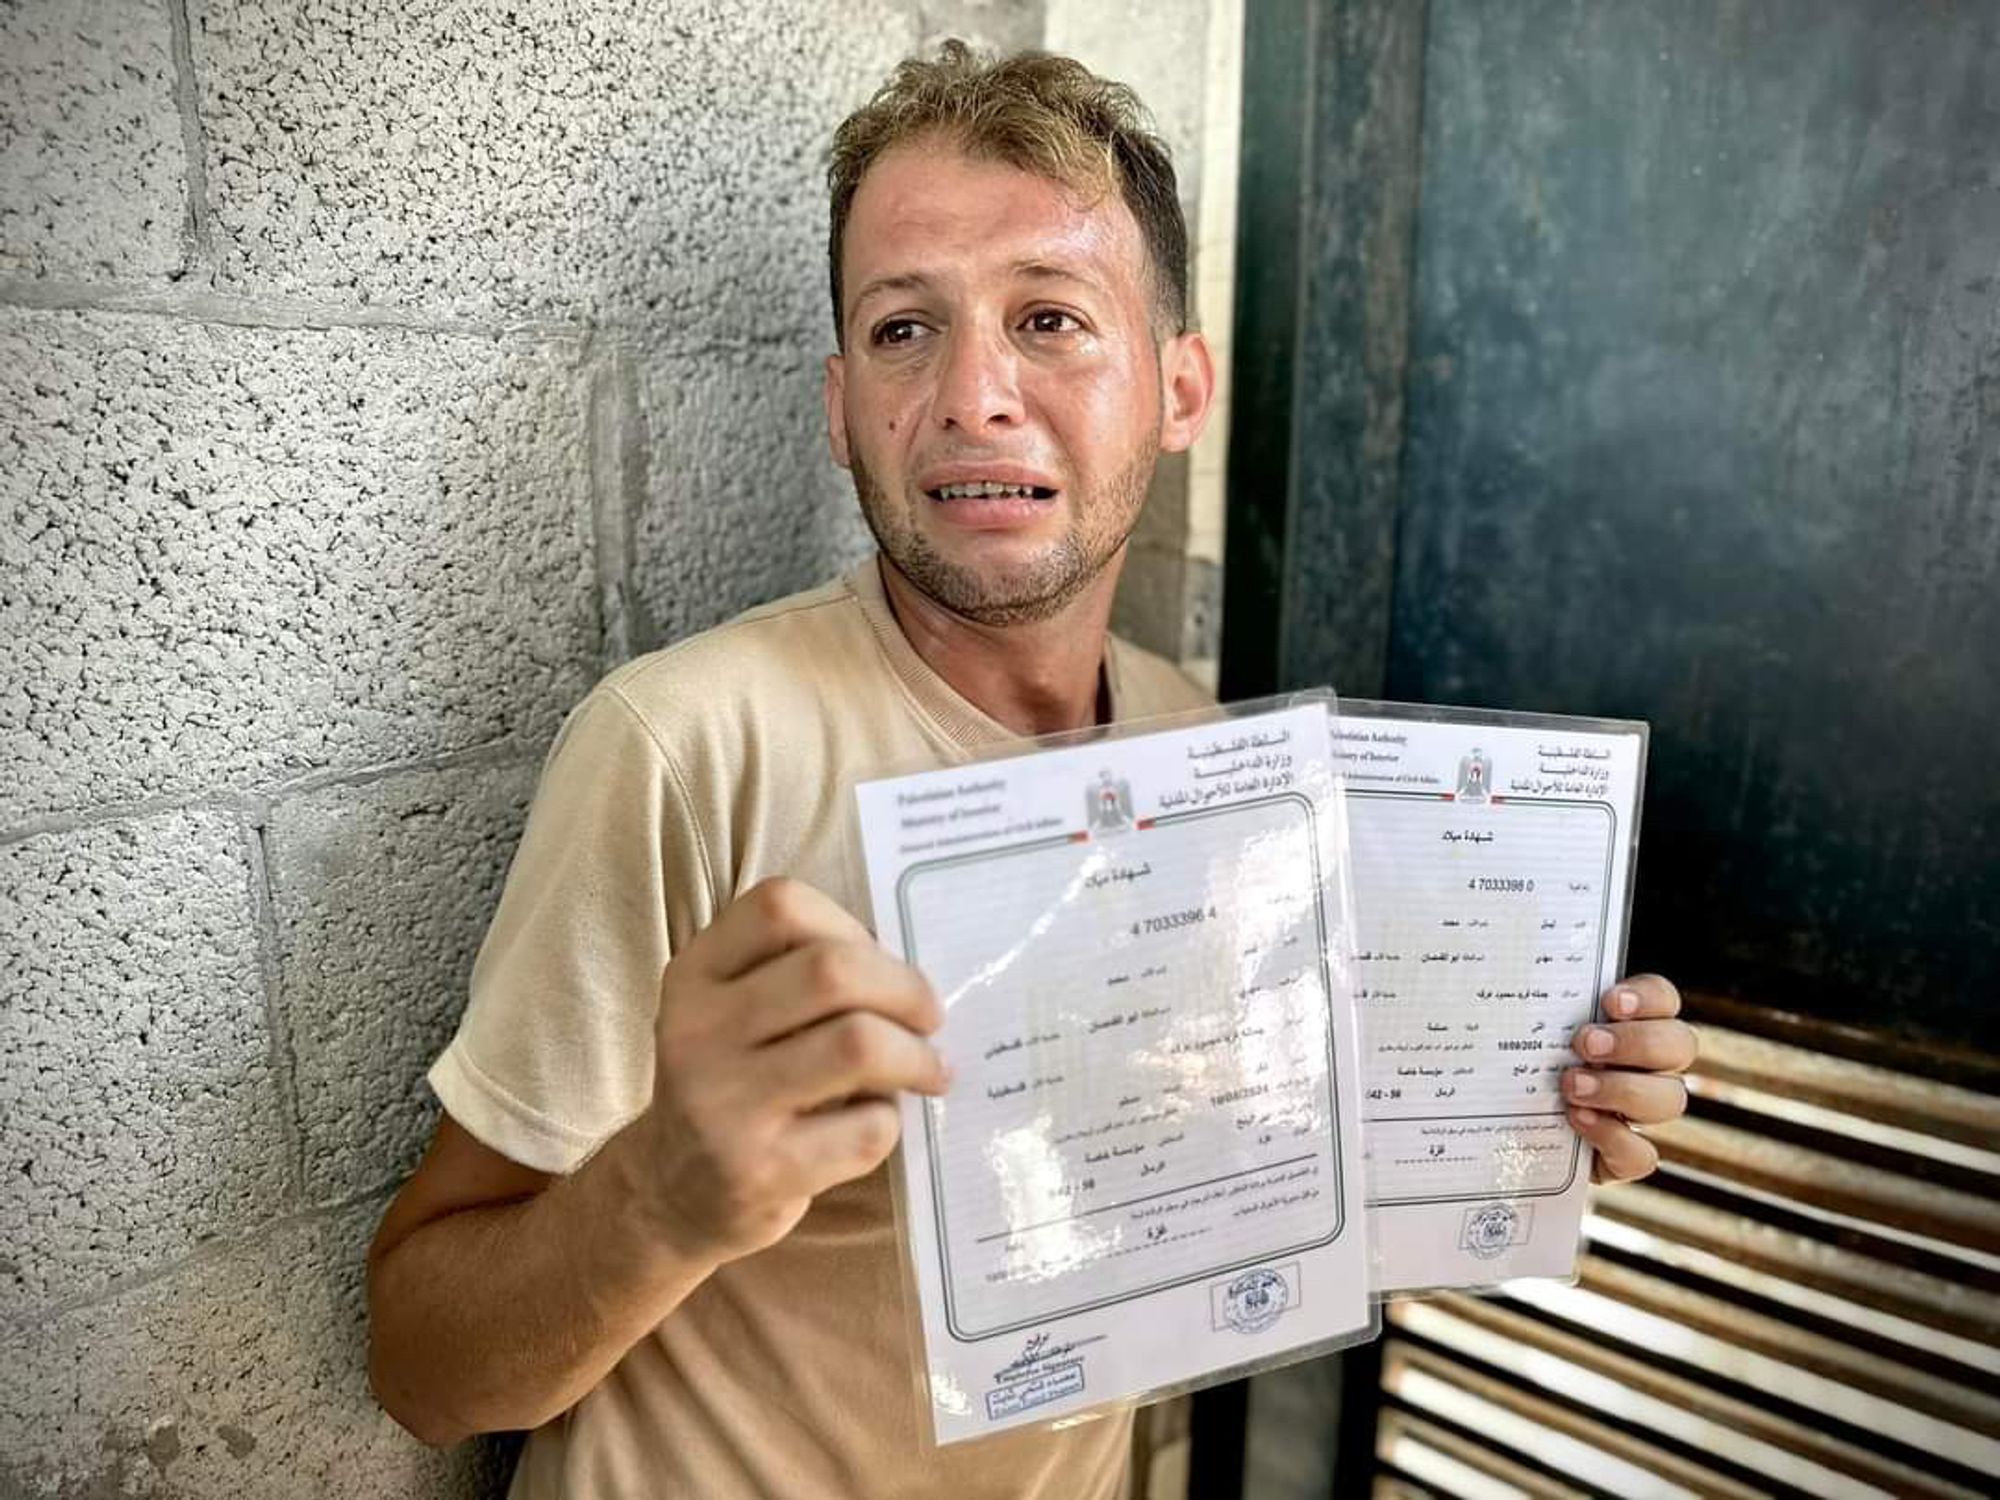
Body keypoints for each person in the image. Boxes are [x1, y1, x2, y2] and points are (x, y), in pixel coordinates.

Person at [365, 42, 1697, 1499]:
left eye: (1051, 319)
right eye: (901, 330)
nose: (971, 395)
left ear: (1179, 388)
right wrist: (660, 1199)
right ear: (836, 406)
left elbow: (1239, 1227)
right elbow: (421, 1369)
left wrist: (1518, 1124)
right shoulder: (687, 748)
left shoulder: (1213, 758)